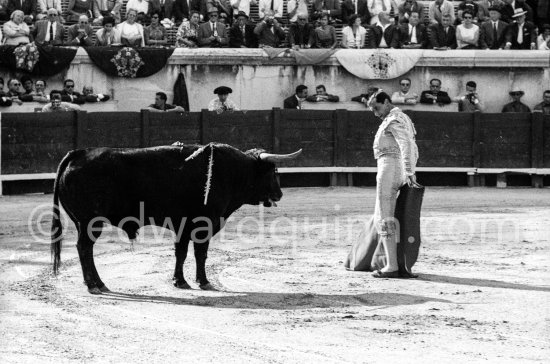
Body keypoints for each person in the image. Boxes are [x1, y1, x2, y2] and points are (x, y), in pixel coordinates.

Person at [366, 89, 419, 279]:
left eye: (377, 107)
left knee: (385, 215)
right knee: (387, 214)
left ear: (387, 102)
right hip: (396, 168)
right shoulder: (402, 118)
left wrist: (410, 170)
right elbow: (413, 147)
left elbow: (406, 144)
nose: (375, 113)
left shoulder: (393, 119)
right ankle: (391, 262)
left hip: (389, 168)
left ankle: (391, 266)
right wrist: (409, 170)